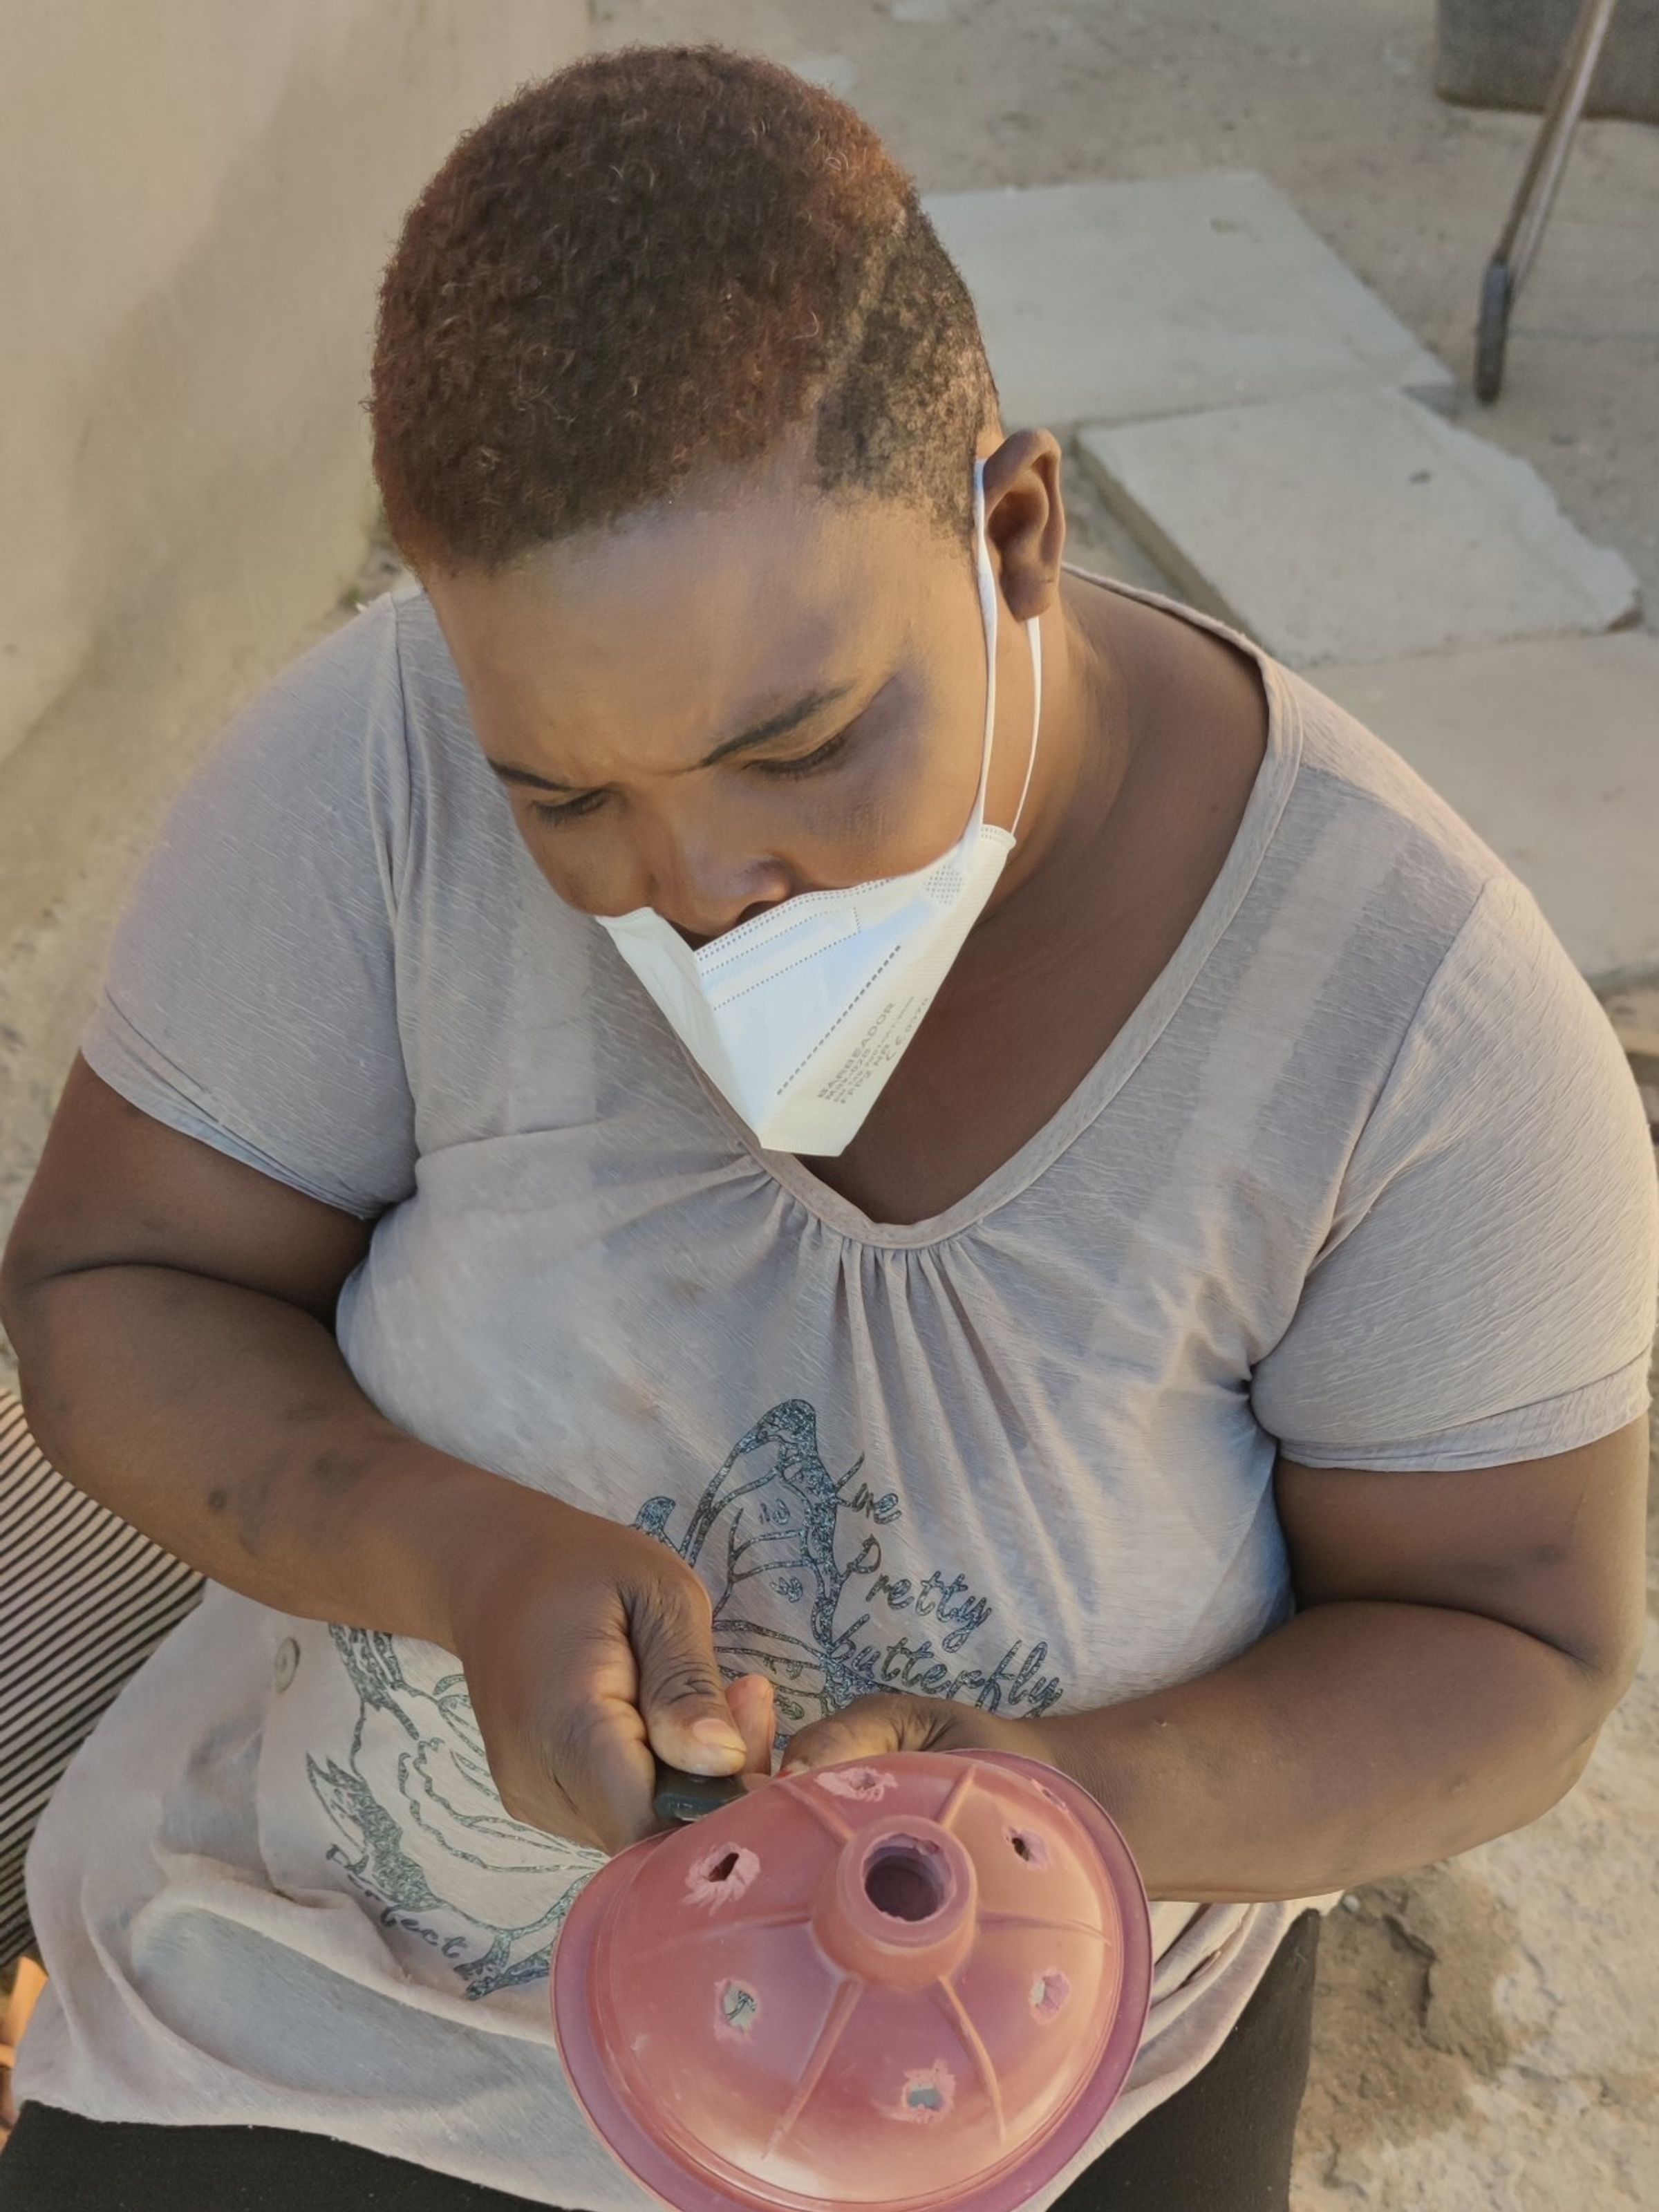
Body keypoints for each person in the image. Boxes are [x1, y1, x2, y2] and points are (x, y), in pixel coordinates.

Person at [1, 43, 1653, 2212]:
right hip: (334, 2016)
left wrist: (1058, 1809)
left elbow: (1515, 1644)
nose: (697, 887)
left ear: (1016, 533)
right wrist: (458, 1558)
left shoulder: (1410, 1026)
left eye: (799, 745)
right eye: (566, 796)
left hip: (1017, 2068)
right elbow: (117, 1285)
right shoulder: (371, 776)